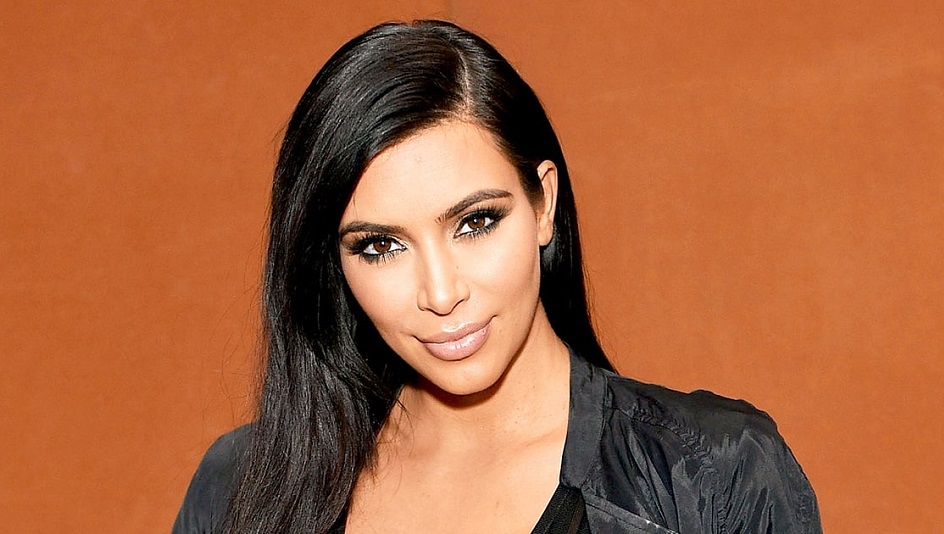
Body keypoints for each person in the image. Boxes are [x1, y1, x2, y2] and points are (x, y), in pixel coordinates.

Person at [173, 20, 821, 534]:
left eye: (475, 222)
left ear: (543, 204)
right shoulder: (239, 489)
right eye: (380, 246)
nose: (442, 293)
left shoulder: (710, 475)